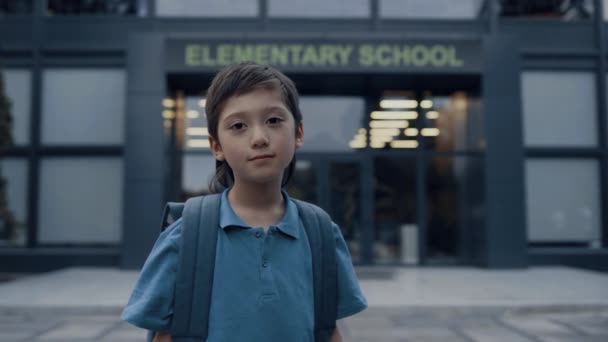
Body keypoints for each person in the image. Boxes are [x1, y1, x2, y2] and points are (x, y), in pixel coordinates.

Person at [121, 62, 368, 341]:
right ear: (216, 146)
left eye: (274, 121)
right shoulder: (186, 237)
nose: (259, 138)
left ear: (298, 133)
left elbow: (327, 329)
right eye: (238, 126)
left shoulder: (322, 234)